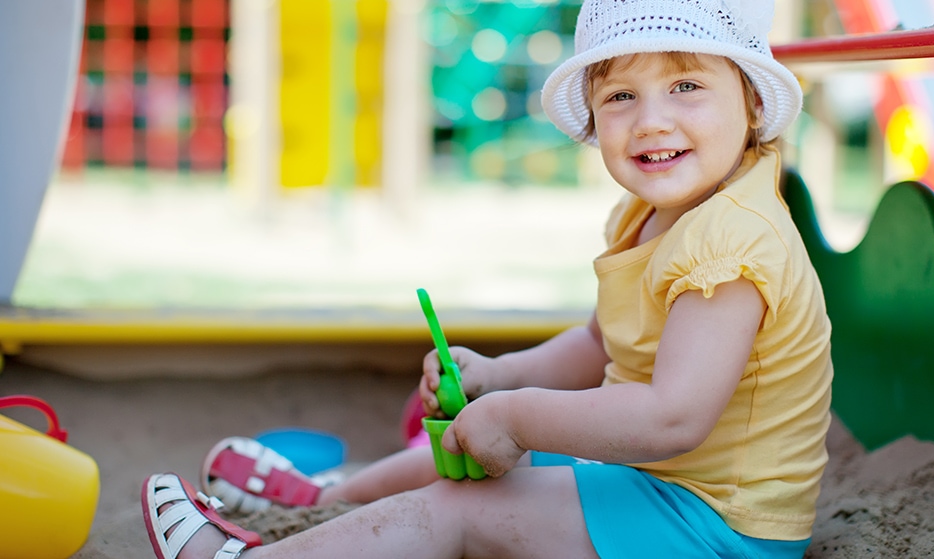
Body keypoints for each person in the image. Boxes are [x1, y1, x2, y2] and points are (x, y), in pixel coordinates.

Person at [140, 0, 833, 557]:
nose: (651, 120)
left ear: (751, 103)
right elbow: (601, 342)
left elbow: (671, 417)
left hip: (718, 528)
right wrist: (499, 379)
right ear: (594, 116)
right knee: (463, 454)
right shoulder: (652, 214)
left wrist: (517, 414)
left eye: (686, 86)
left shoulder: (732, 242)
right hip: (662, 488)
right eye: (622, 94)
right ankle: (324, 504)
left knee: (467, 503)